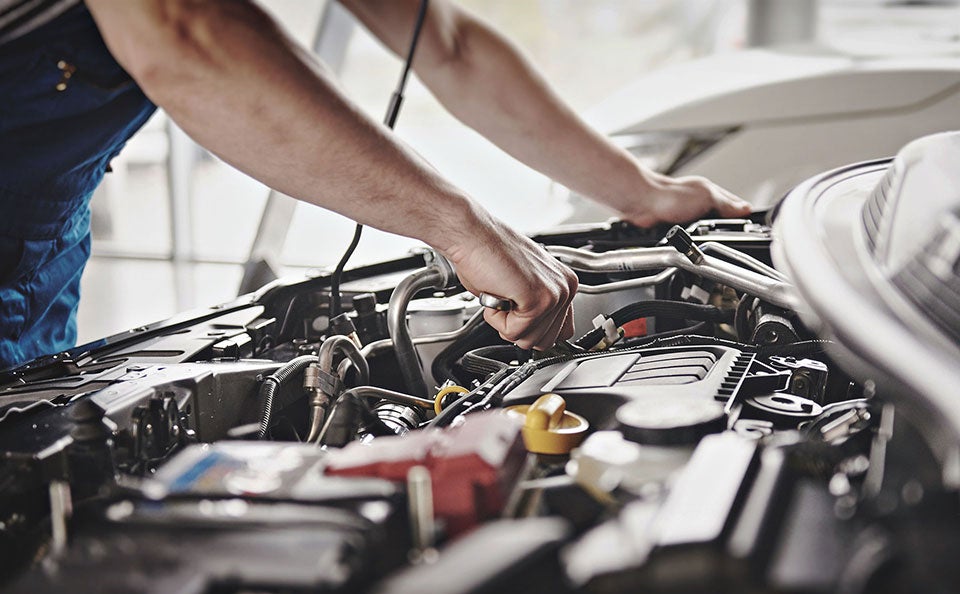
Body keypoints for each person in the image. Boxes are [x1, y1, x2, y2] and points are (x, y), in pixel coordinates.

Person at [0, 0, 750, 370]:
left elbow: (446, 46)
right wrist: (464, 230)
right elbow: (185, 32)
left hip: (38, 253)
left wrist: (642, 193)